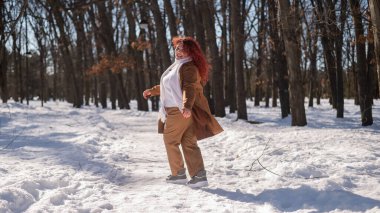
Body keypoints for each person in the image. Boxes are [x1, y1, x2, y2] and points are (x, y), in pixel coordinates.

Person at [143, 36, 223, 188]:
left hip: (178, 111)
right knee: (189, 142)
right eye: (177, 48)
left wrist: (186, 106)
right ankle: (199, 176)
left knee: (170, 140)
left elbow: (189, 87)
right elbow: (170, 87)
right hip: (182, 110)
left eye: (183, 50)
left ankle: (178, 173)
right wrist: (152, 91)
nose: (179, 52)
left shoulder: (188, 67)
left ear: (191, 53)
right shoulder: (178, 66)